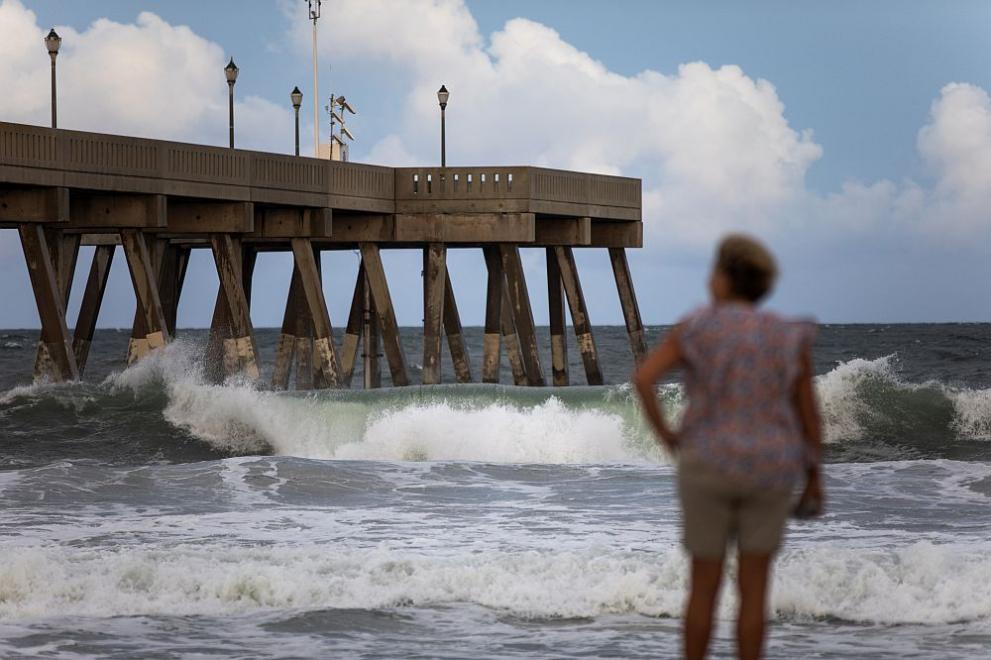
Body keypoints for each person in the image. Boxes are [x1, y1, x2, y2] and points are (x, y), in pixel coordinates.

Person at [633, 234, 823, 660]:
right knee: (754, 591)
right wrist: (815, 479)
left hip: (708, 463)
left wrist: (667, 437)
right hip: (770, 467)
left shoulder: (697, 327)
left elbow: (644, 379)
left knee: (704, 587)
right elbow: (809, 417)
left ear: (722, 279)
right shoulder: (787, 335)